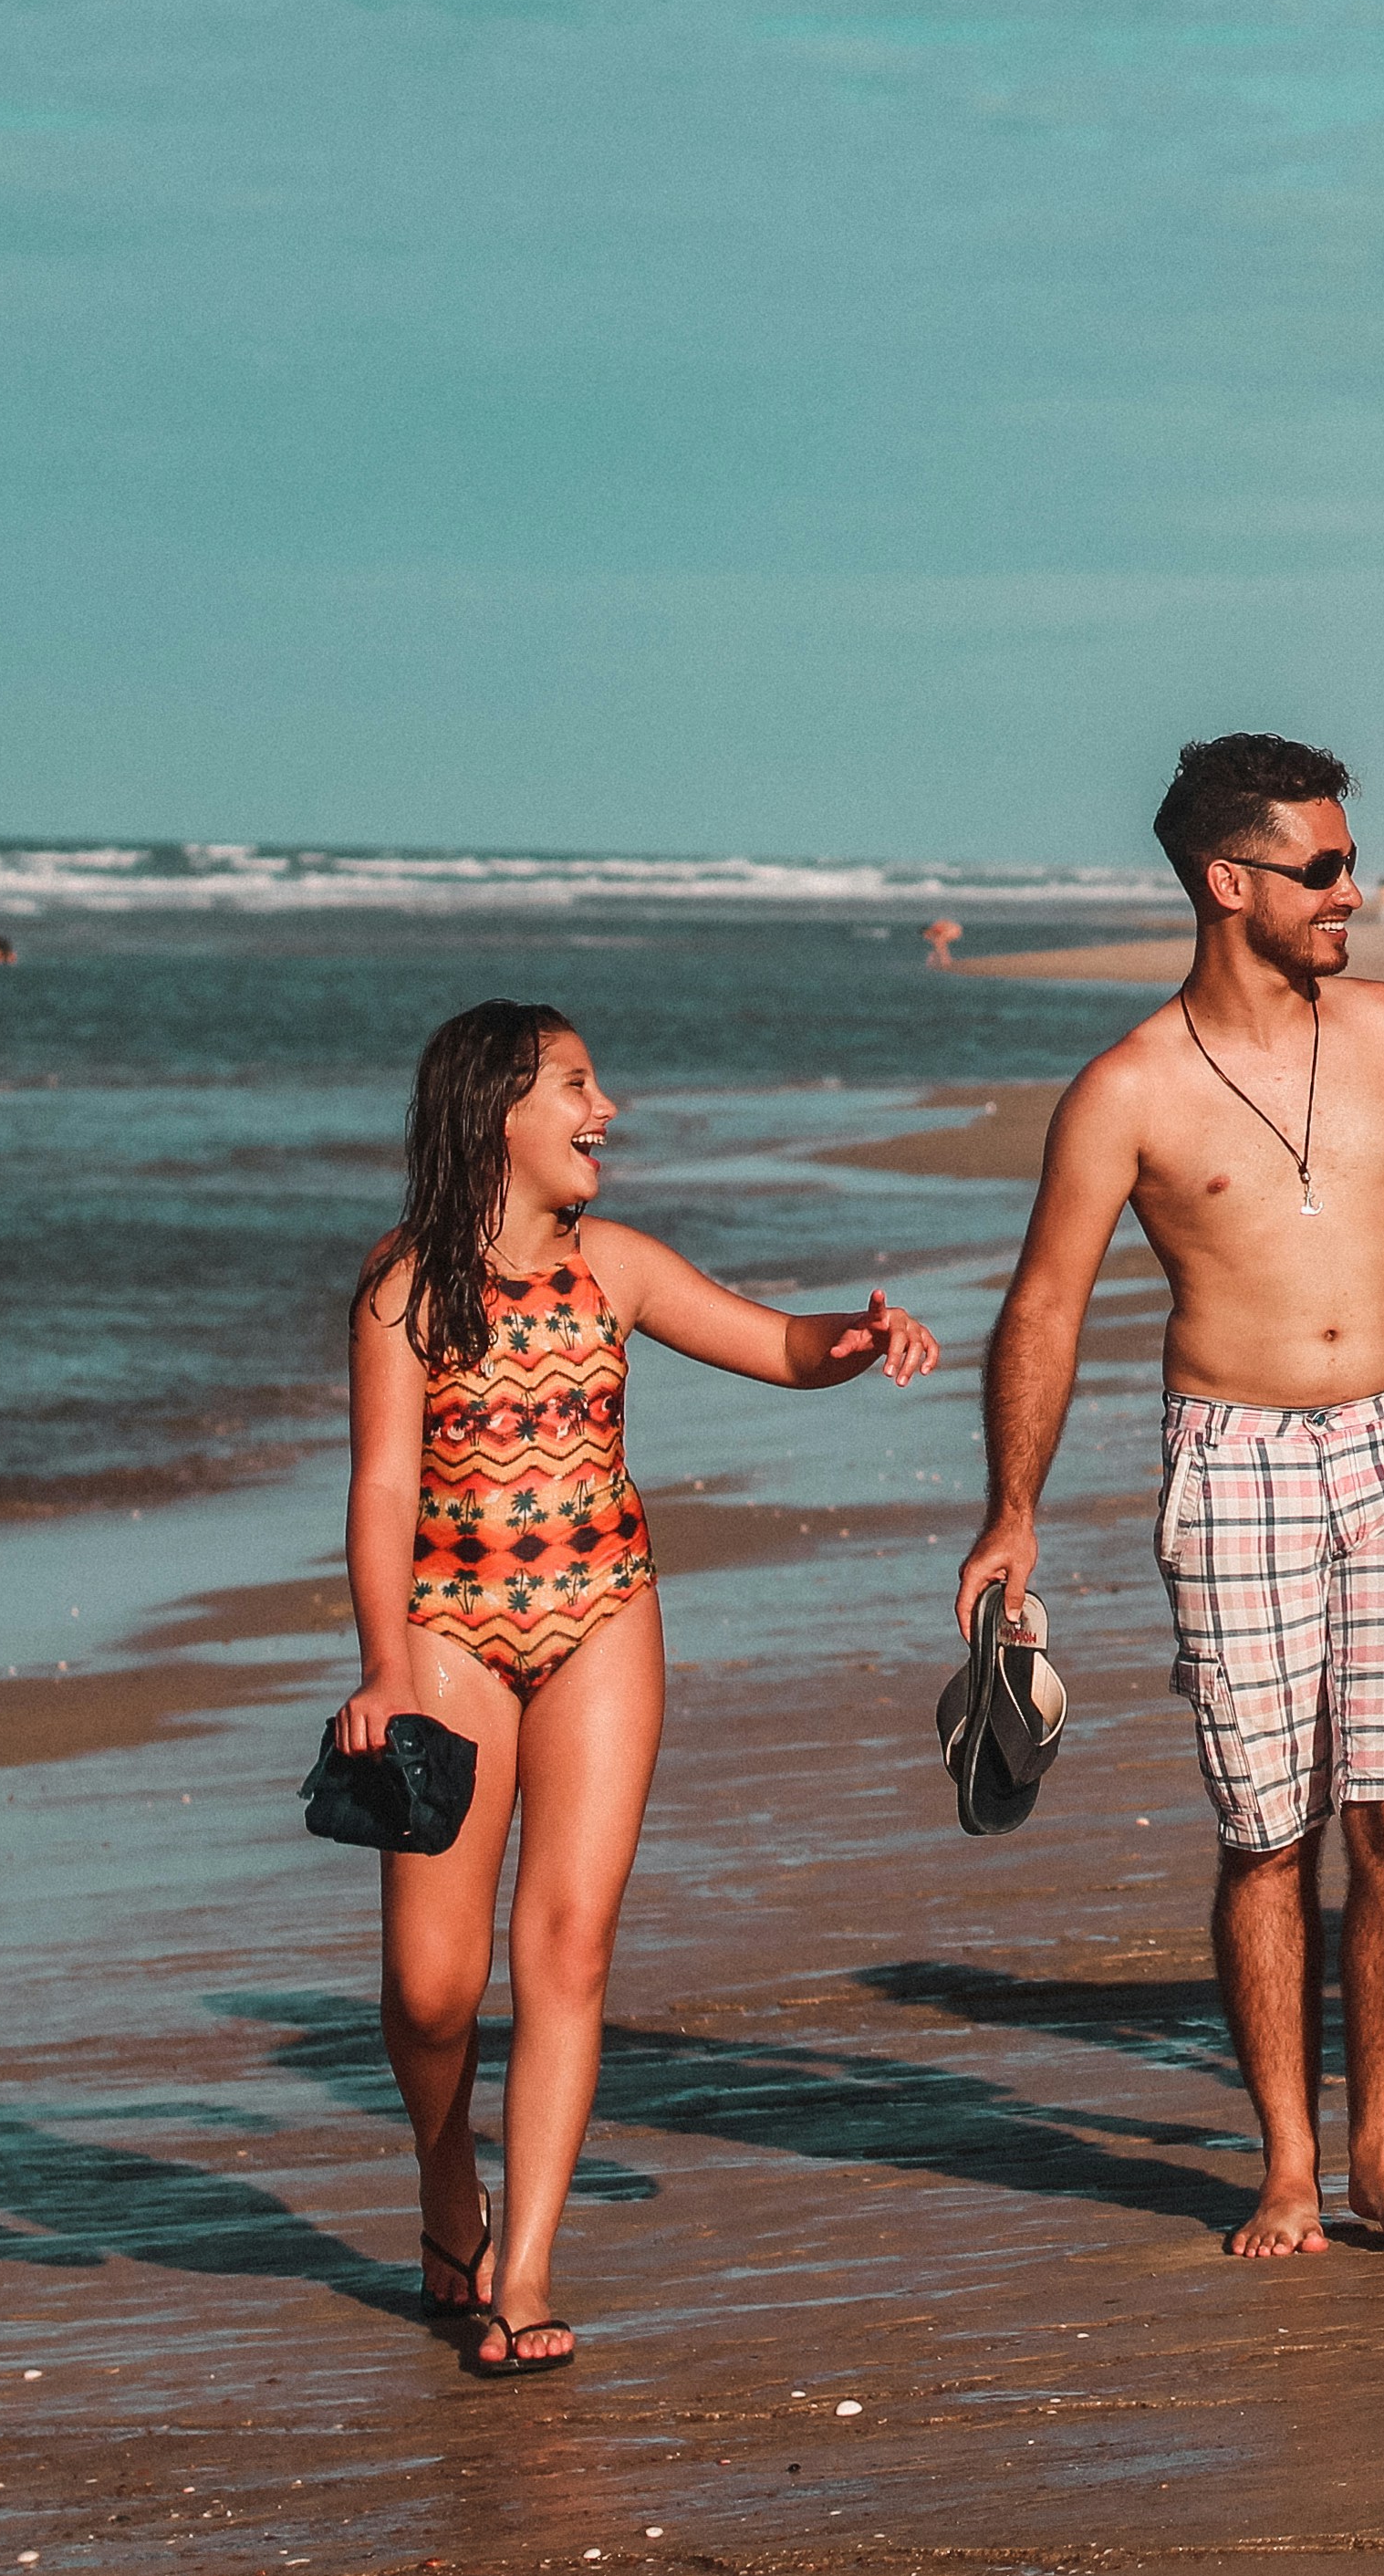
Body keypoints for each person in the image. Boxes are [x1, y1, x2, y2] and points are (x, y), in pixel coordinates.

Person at [955, 735, 1384, 2256]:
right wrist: (1010, 1509)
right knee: (1267, 1829)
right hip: (1238, 1462)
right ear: (1232, 884)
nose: (1356, 889)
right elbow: (1043, 1307)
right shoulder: (1127, 1090)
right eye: (1325, 868)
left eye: (1352, 860)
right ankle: (1286, 2161)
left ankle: (1383, 2147)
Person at [339, 1002, 941, 2372]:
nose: (606, 1108)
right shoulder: (402, 1285)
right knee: (433, 1987)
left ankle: (528, 2270)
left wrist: (849, 1340)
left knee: (567, 1948)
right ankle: (449, 2176)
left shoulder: (615, 1266)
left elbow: (772, 1342)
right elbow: (381, 1486)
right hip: (448, 1627)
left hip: (604, 1611)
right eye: (577, 1085)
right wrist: (383, 1659)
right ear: (496, 1108)